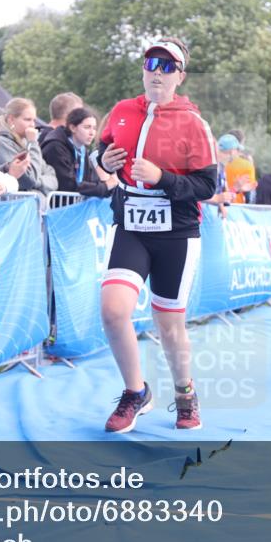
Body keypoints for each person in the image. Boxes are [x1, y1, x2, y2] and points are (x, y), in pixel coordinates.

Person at [96, 37, 217, 433]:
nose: (157, 73)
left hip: (176, 233)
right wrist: (105, 160)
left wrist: (163, 179)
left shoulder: (193, 123)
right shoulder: (122, 111)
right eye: (152, 63)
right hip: (131, 224)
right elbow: (103, 150)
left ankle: (185, 393)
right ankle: (136, 392)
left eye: (168, 67)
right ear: (143, 68)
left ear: (180, 76)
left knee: (169, 324)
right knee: (114, 310)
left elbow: (207, 185)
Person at [42, 106, 116, 196]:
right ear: (73, 128)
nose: (92, 133)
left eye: (94, 128)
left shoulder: (82, 149)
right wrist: (105, 186)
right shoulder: (55, 147)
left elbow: (92, 180)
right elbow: (68, 184)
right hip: (55, 206)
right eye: (87, 127)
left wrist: (109, 188)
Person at [0, 98, 55, 195]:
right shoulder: (1, 142)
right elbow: (29, 179)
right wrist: (33, 143)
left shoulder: (26, 143)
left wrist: (37, 182)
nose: (32, 125)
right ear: (11, 120)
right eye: (27, 119)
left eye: (34, 120)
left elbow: (51, 176)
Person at [221, 134, 256, 204]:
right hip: (234, 208)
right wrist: (236, 188)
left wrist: (236, 189)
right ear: (231, 151)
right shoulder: (216, 169)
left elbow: (222, 198)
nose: (238, 153)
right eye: (237, 150)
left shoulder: (221, 169)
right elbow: (217, 199)